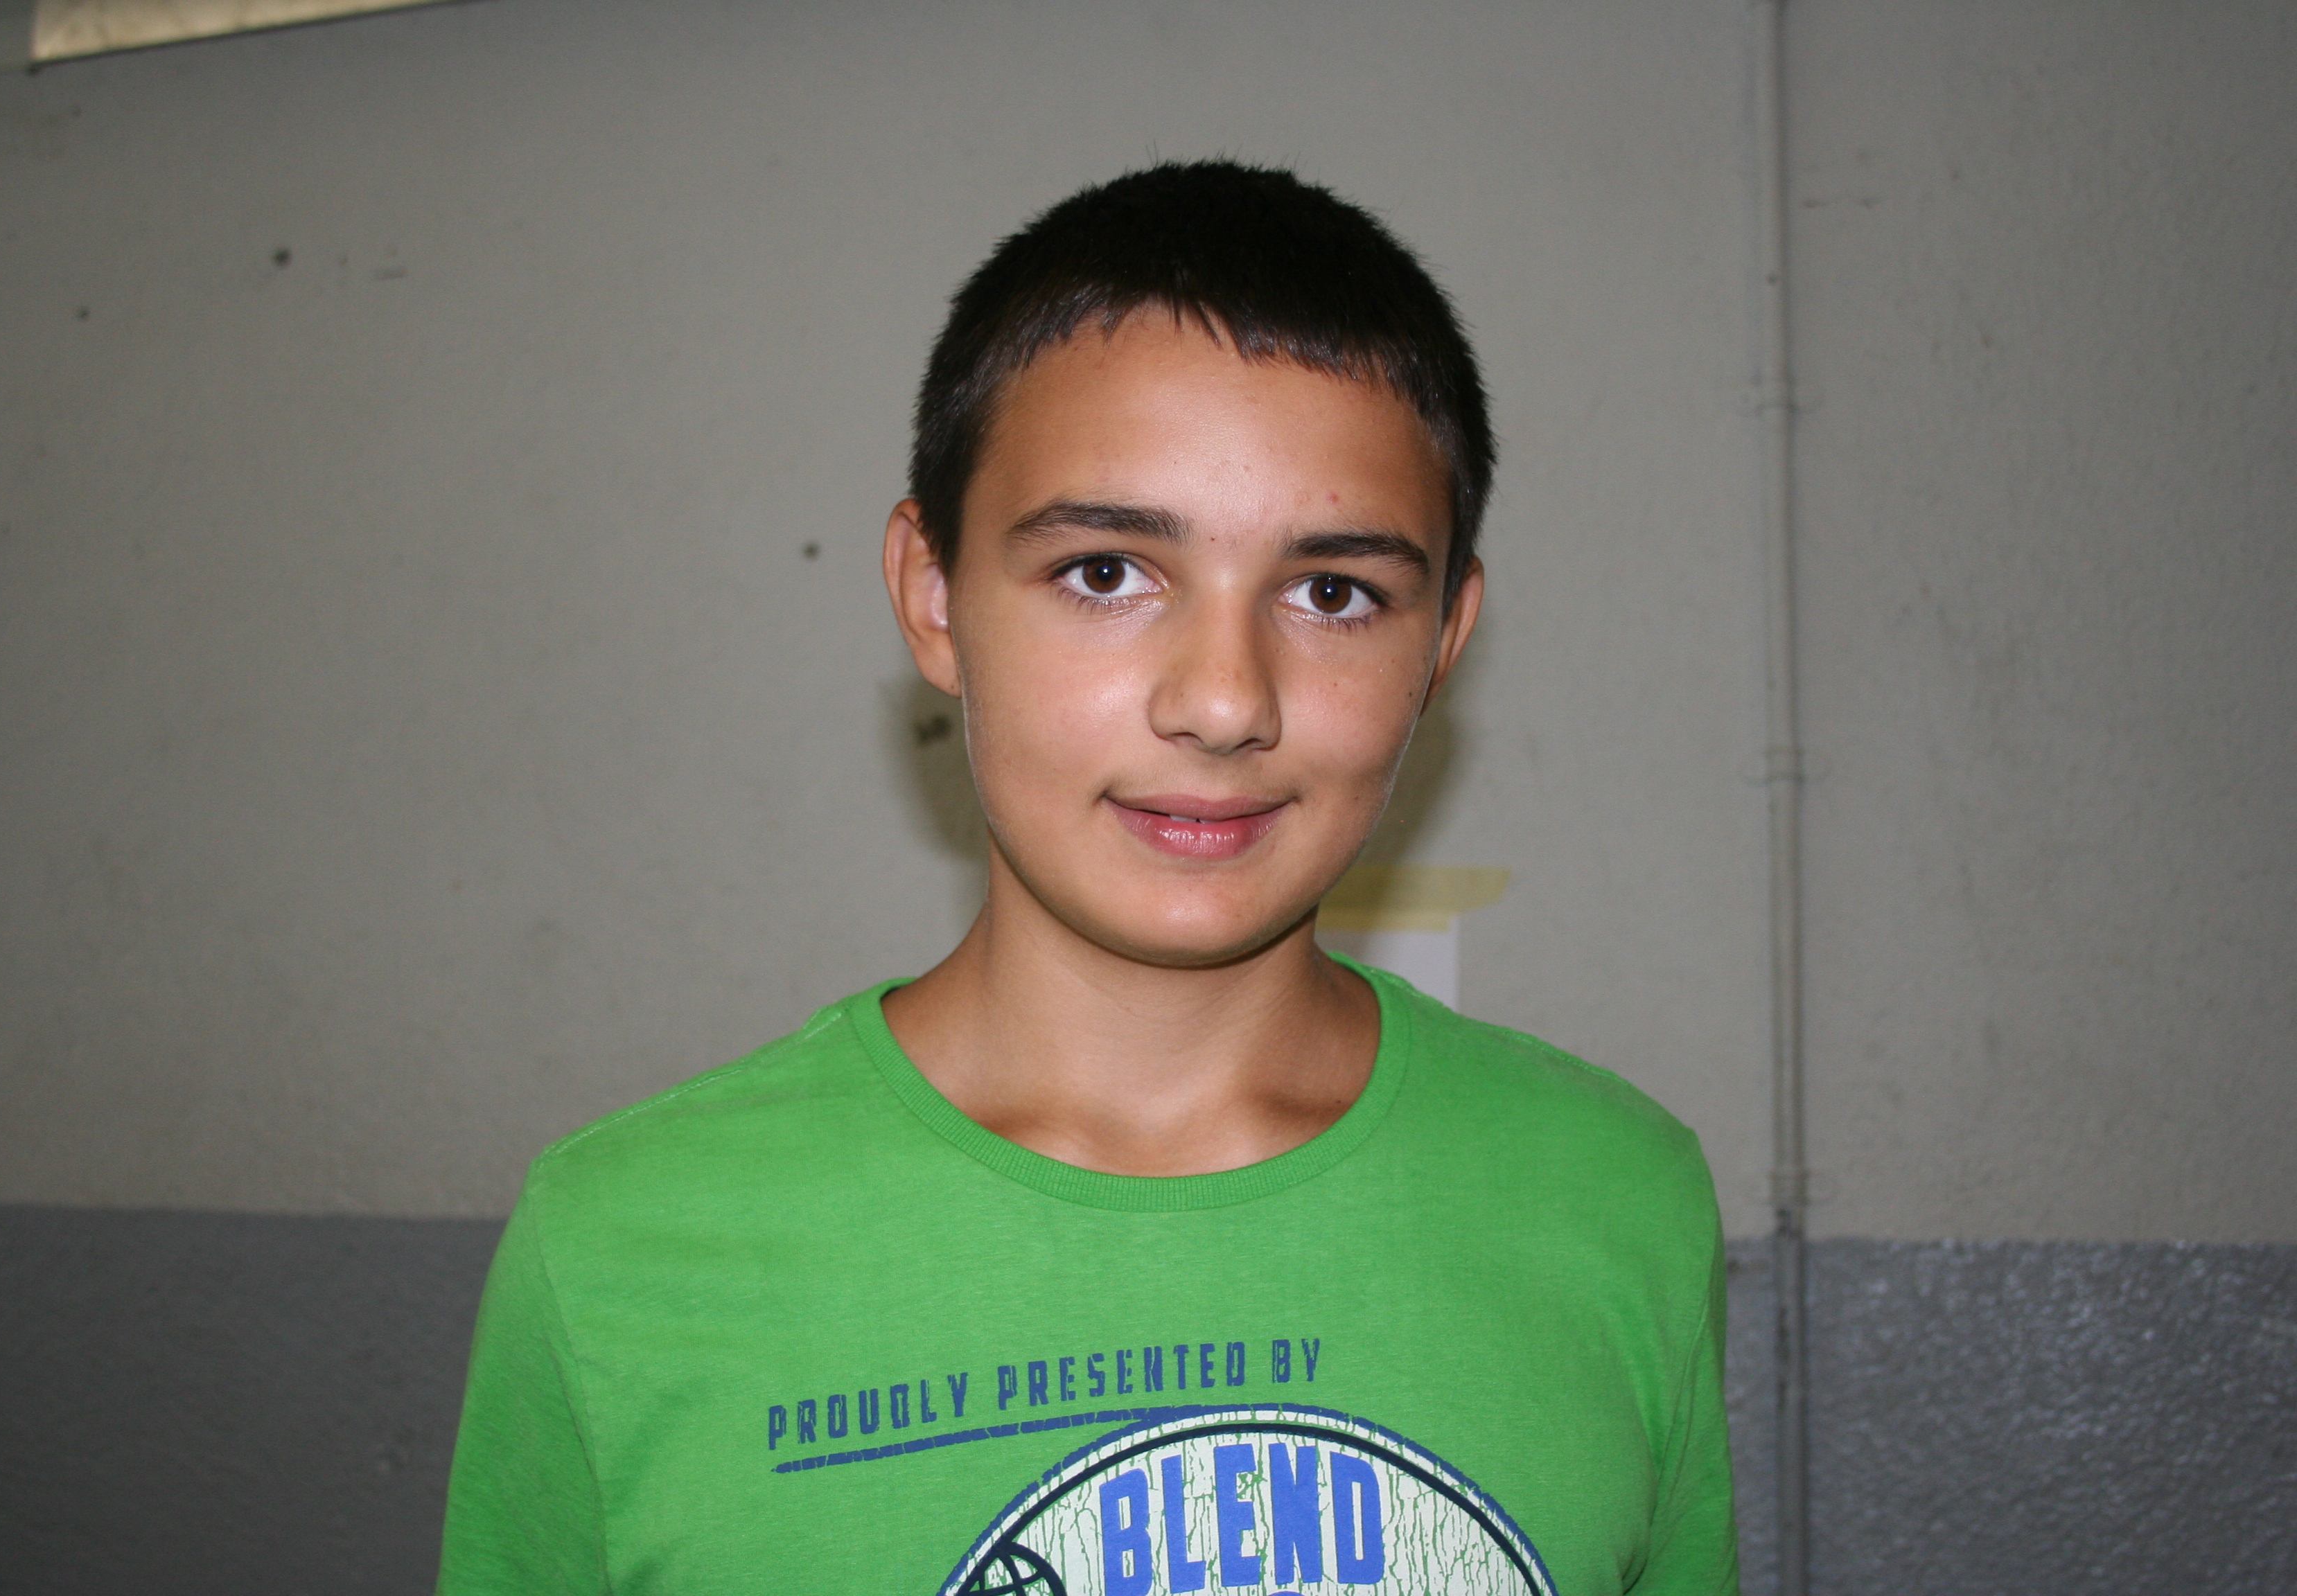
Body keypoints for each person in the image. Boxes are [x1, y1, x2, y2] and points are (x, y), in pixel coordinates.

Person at [438, 161, 1738, 1596]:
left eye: (1334, 593)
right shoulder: (619, 1251)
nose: (1225, 701)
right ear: (933, 594)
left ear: (1442, 641)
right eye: (1107, 573)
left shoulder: (1616, 1203)